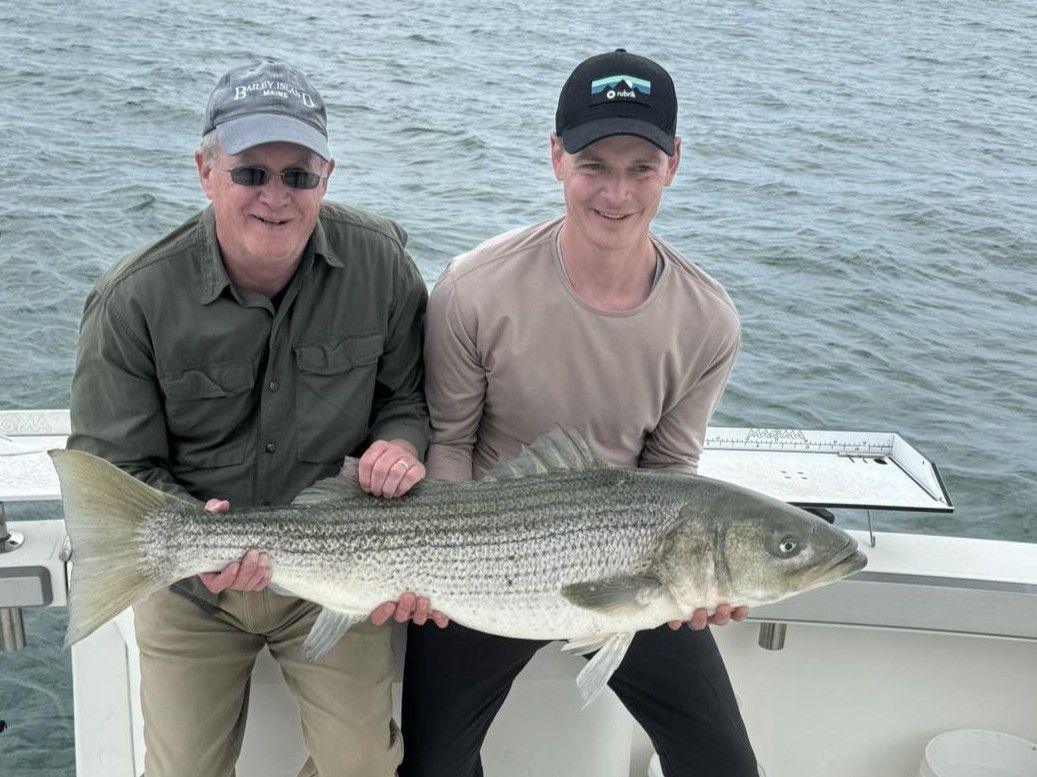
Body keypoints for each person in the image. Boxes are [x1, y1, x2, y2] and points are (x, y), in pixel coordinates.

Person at [68, 58, 440, 777]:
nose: (275, 196)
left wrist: (398, 442)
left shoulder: (383, 267)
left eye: (297, 175)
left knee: (364, 764)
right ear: (206, 171)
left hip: (340, 574)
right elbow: (116, 469)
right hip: (193, 592)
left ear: (326, 177)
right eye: (250, 173)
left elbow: (405, 395)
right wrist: (192, 543)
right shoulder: (132, 300)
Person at [401, 50, 758, 776]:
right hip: (482, 552)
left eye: (640, 167)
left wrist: (694, 584)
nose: (616, 192)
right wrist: (436, 565)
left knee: (724, 763)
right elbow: (449, 438)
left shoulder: (707, 318)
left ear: (675, 162)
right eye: (594, 163)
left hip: (633, 562)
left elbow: (670, 472)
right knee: (432, 763)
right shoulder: (474, 287)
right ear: (556, 156)